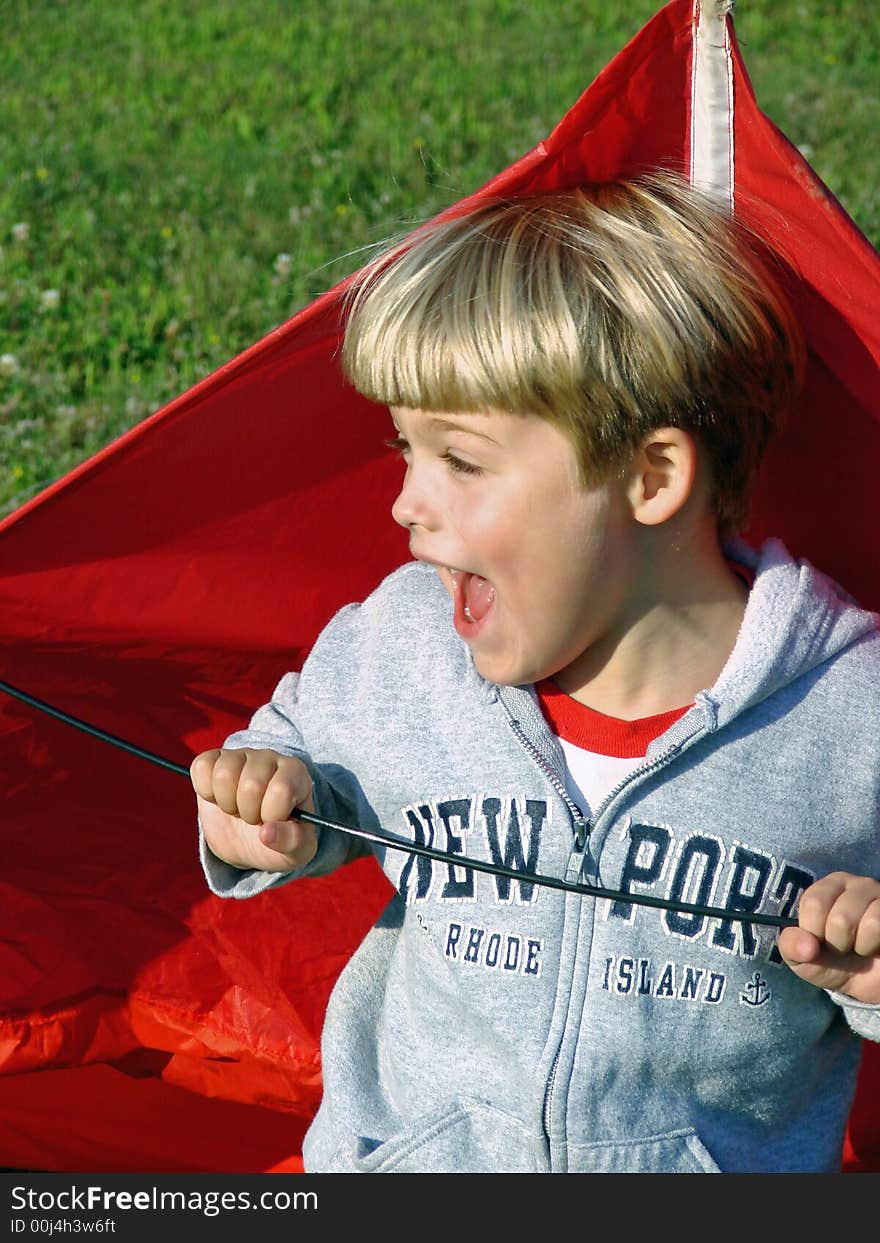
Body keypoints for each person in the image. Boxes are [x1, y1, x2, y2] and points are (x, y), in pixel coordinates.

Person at [191, 172, 880, 1174]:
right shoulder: (402, 645)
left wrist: (866, 977)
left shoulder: (848, 713)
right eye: (405, 450)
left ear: (650, 478)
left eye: (461, 462)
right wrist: (253, 804)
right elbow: (284, 758)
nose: (405, 504)